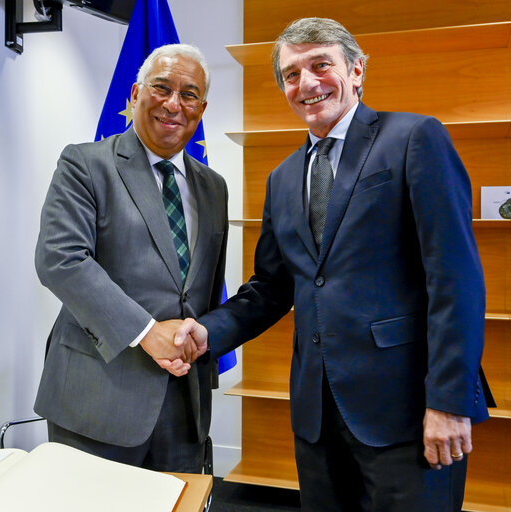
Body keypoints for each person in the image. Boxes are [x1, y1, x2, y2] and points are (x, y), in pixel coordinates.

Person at [167, 17, 494, 511]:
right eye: (291, 75)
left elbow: (456, 279)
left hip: (408, 413)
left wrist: (448, 403)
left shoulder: (414, 138)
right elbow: (271, 288)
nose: (307, 83)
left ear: (357, 70)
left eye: (321, 65)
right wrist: (210, 332)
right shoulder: (281, 178)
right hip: (317, 418)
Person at [34, 43, 227, 472]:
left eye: (189, 94)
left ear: (202, 107)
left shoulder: (214, 187)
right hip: (98, 398)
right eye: (161, 88)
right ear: (137, 93)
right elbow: (60, 259)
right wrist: (146, 331)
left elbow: (205, 289)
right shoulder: (85, 164)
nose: (174, 104)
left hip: (184, 404)